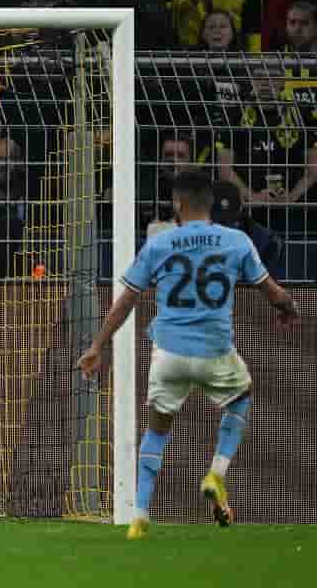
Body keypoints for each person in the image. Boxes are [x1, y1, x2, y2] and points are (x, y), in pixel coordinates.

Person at [76, 170, 299, 540]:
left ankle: (140, 514)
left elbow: (126, 300)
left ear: (177, 204)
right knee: (241, 399)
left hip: (169, 352)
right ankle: (216, 473)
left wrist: (98, 345)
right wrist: (288, 308)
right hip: (215, 350)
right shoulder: (237, 240)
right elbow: (272, 291)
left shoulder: (160, 243)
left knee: (157, 428)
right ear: (210, 204)